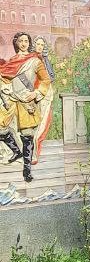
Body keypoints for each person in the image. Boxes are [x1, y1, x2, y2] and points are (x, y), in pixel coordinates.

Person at [0, 32, 52, 183]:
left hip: (26, 100)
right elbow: (4, 77)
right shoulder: (11, 61)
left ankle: (27, 170)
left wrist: (36, 93)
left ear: (29, 43)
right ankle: (17, 151)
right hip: (11, 99)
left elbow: (46, 80)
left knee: (27, 135)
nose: (24, 43)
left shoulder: (35, 61)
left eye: (26, 41)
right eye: (21, 41)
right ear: (16, 43)